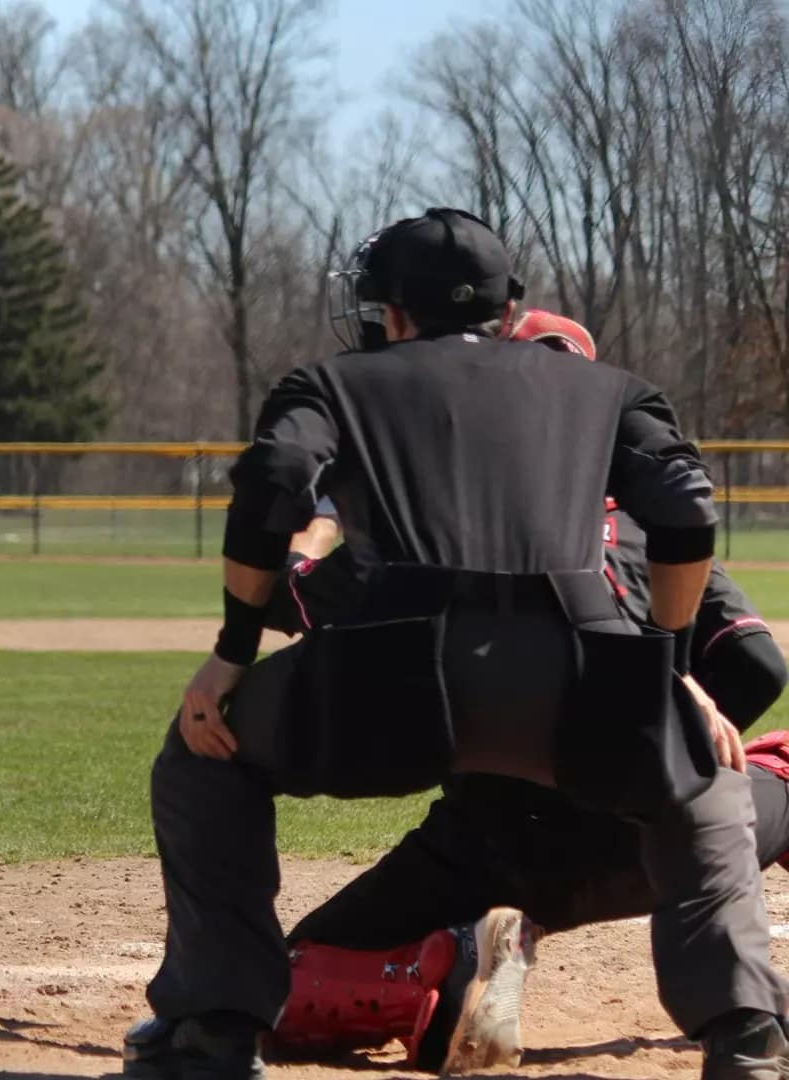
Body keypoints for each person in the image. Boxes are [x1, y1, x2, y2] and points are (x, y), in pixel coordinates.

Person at [125, 210, 789, 1080]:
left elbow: (279, 482)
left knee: (200, 753)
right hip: (577, 684)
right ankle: (744, 1034)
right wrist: (663, 665)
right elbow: (686, 511)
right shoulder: (613, 390)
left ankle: (213, 1030)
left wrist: (233, 651)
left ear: (392, 314)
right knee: (698, 788)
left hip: (388, 679)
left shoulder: (332, 381)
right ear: (510, 311)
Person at [262, 311, 789, 1072]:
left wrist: (315, 527)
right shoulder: (649, 527)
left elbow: (293, 599)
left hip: (484, 850)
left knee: (279, 983)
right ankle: (749, 1010)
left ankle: (431, 981)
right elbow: (759, 666)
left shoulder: (437, 527)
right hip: (649, 835)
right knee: (766, 780)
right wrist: (679, 705)